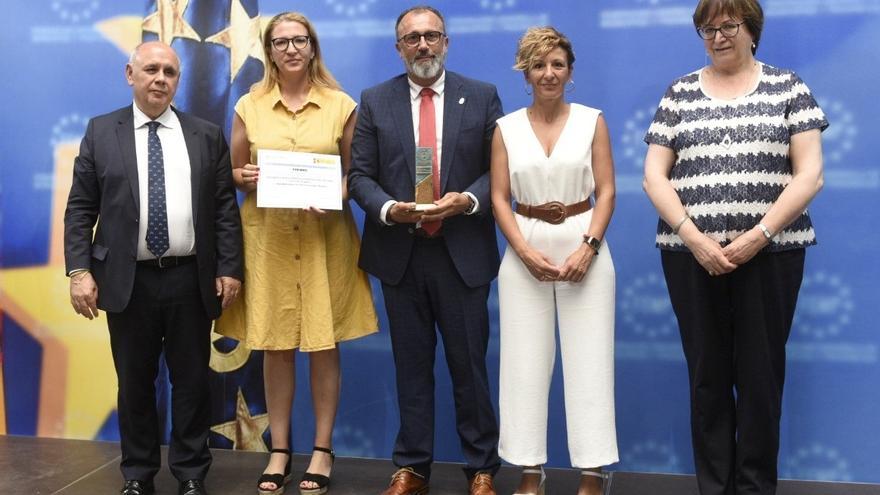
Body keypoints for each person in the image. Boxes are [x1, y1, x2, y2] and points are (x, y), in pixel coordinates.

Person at [642, 1, 827, 493]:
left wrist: (759, 235)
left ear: (752, 30)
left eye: (729, 25)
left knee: (761, 378)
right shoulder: (679, 93)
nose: (718, 36)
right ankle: (715, 487)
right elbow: (653, 176)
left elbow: (810, 174)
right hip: (690, 256)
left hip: (773, 253)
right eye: (708, 28)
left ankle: (754, 487)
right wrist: (694, 237)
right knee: (707, 378)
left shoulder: (789, 88)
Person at [64, 41, 243, 495]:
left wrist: (230, 268)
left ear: (178, 80)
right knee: (136, 384)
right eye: (150, 69)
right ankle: (138, 475)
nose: (160, 78)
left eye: (170, 71)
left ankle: (190, 475)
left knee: (191, 384)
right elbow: (80, 209)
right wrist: (78, 271)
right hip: (128, 281)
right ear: (130, 74)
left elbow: (224, 209)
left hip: (190, 277)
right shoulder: (101, 132)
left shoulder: (205, 134)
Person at [212, 11, 378, 495]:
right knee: (276, 345)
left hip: (325, 239)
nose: (290, 49)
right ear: (269, 51)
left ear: (312, 47)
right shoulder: (250, 104)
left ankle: (322, 450)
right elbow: (234, 171)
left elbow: (357, 175)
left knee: (324, 346)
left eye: (299, 40)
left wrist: (335, 193)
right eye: (280, 41)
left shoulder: (340, 104)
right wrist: (247, 177)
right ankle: (280, 450)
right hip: (268, 239)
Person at [348, 5, 502, 495]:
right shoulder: (374, 100)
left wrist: (469, 201)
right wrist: (391, 209)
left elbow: (500, 170)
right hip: (402, 253)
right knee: (410, 368)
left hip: (461, 251)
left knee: (469, 368)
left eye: (432, 36)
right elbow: (360, 177)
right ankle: (412, 467)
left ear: (446, 43)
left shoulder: (480, 97)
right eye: (412, 38)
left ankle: (482, 468)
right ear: (399, 48)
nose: (423, 45)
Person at [490, 27, 618, 495]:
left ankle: (593, 471)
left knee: (590, 361)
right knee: (523, 365)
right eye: (539, 65)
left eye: (557, 64)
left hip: (585, 243)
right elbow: (500, 198)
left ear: (570, 71)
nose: (548, 73)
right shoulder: (505, 128)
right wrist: (522, 250)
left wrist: (589, 246)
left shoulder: (592, 121)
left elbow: (606, 191)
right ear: (525, 71)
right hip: (524, 249)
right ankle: (529, 470)